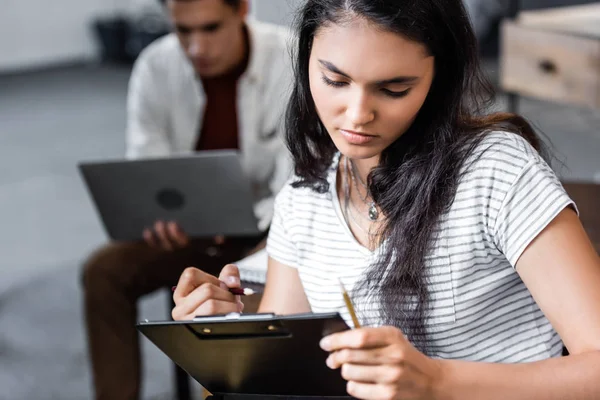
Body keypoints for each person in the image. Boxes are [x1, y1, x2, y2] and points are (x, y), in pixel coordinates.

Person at [172, 0, 600, 399]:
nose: (358, 114)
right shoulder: (304, 198)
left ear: (439, 77)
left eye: (394, 89)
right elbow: (284, 377)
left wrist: (437, 380)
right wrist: (225, 335)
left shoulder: (495, 170)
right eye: (335, 80)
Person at [82, 0, 292, 399]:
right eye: (183, 31)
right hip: (188, 235)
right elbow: (147, 168)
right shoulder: (155, 66)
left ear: (243, 10)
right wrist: (155, 217)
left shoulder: (291, 58)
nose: (196, 47)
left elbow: (301, 180)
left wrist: (269, 244)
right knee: (102, 272)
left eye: (210, 28)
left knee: (229, 306)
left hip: (267, 237)